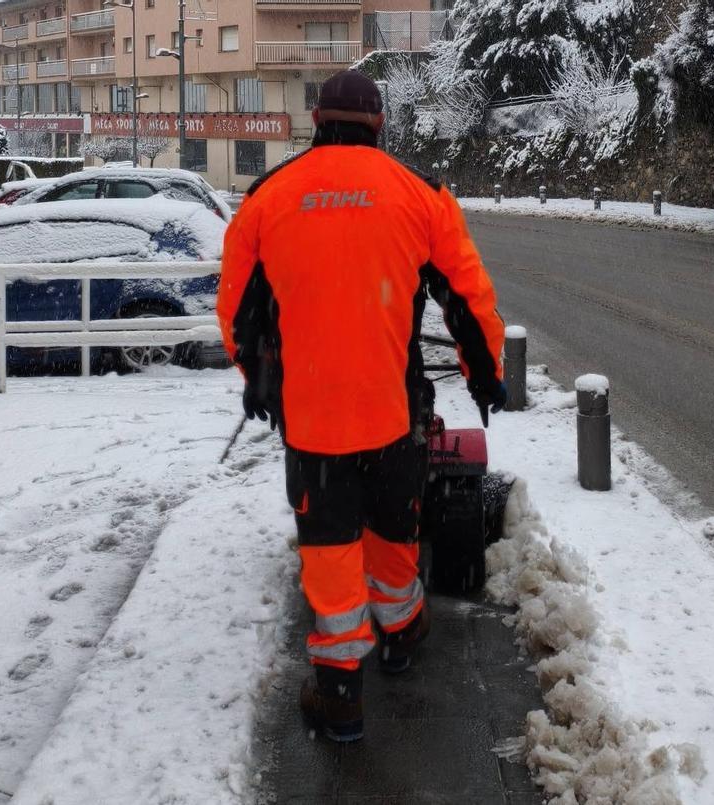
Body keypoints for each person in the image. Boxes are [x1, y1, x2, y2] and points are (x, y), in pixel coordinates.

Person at [216, 70, 506, 742]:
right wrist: (485, 376)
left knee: (330, 547)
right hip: (392, 413)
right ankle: (403, 631)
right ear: (379, 124)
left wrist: (257, 375)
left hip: (313, 418)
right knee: (391, 530)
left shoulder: (268, 196)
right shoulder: (421, 195)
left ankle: (340, 691)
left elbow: (236, 310)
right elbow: (468, 299)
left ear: (318, 120)